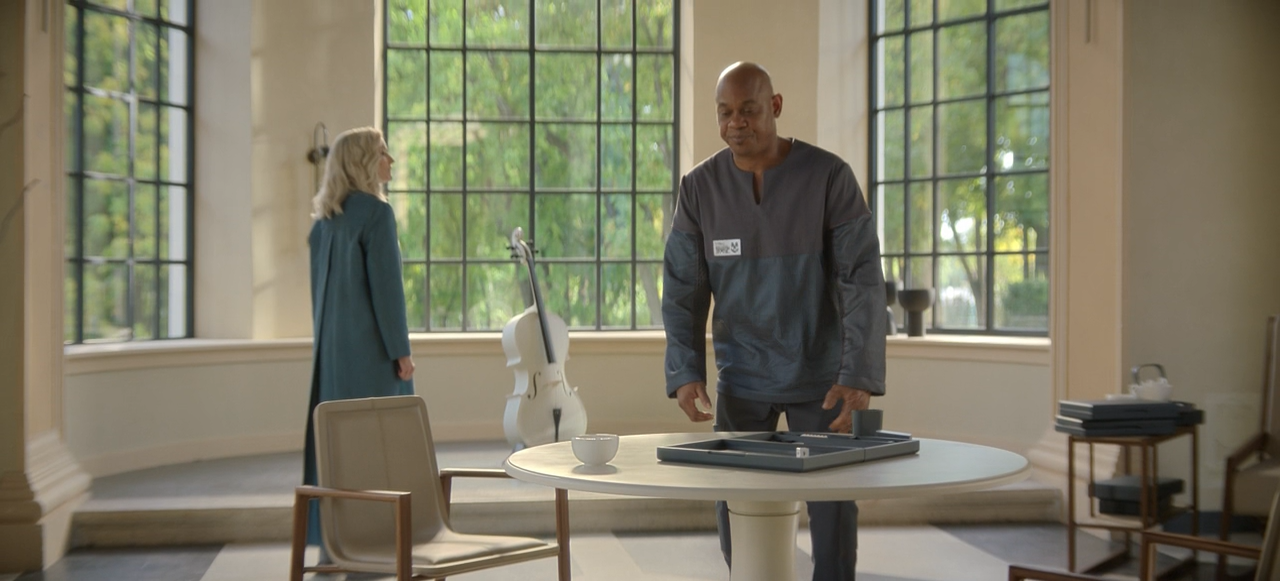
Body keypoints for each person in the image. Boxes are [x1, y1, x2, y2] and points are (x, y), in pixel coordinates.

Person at [662, 62, 887, 581]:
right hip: (742, 378)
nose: (735, 123)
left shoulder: (829, 177)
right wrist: (685, 370)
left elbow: (861, 281)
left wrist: (858, 374)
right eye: (725, 113)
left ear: (776, 106)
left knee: (833, 511)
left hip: (823, 379)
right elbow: (683, 289)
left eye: (748, 110)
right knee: (737, 508)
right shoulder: (698, 189)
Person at [303, 126, 416, 562]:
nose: (391, 161)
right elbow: (388, 294)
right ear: (364, 162)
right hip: (373, 359)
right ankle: (379, 546)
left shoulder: (323, 225)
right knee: (382, 448)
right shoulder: (376, 214)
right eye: (384, 153)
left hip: (331, 361)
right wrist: (401, 353)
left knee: (338, 451)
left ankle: (337, 547)